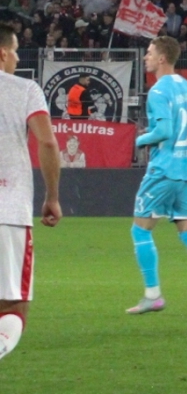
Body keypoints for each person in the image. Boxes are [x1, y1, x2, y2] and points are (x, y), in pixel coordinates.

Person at [128, 35, 187, 315]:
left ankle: (153, 295)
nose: (146, 57)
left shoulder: (158, 91)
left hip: (164, 170)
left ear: (162, 58)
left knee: (140, 230)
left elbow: (164, 131)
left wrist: (140, 139)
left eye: (149, 53)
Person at [0, 23, 62, 361]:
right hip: (8, 211)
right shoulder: (24, 89)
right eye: (15, 52)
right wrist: (52, 197)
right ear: (3, 54)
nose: (17, 59)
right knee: (13, 305)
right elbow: (47, 142)